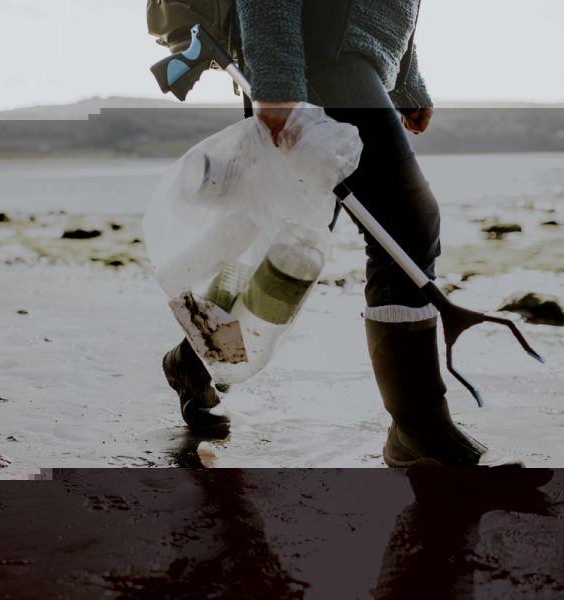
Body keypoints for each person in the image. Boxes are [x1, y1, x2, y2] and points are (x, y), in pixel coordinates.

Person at [163, 0, 520, 467]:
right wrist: (276, 83)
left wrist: (407, 78)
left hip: (345, 58)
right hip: (313, 56)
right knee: (406, 225)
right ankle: (418, 427)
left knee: (290, 247)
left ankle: (193, 360)